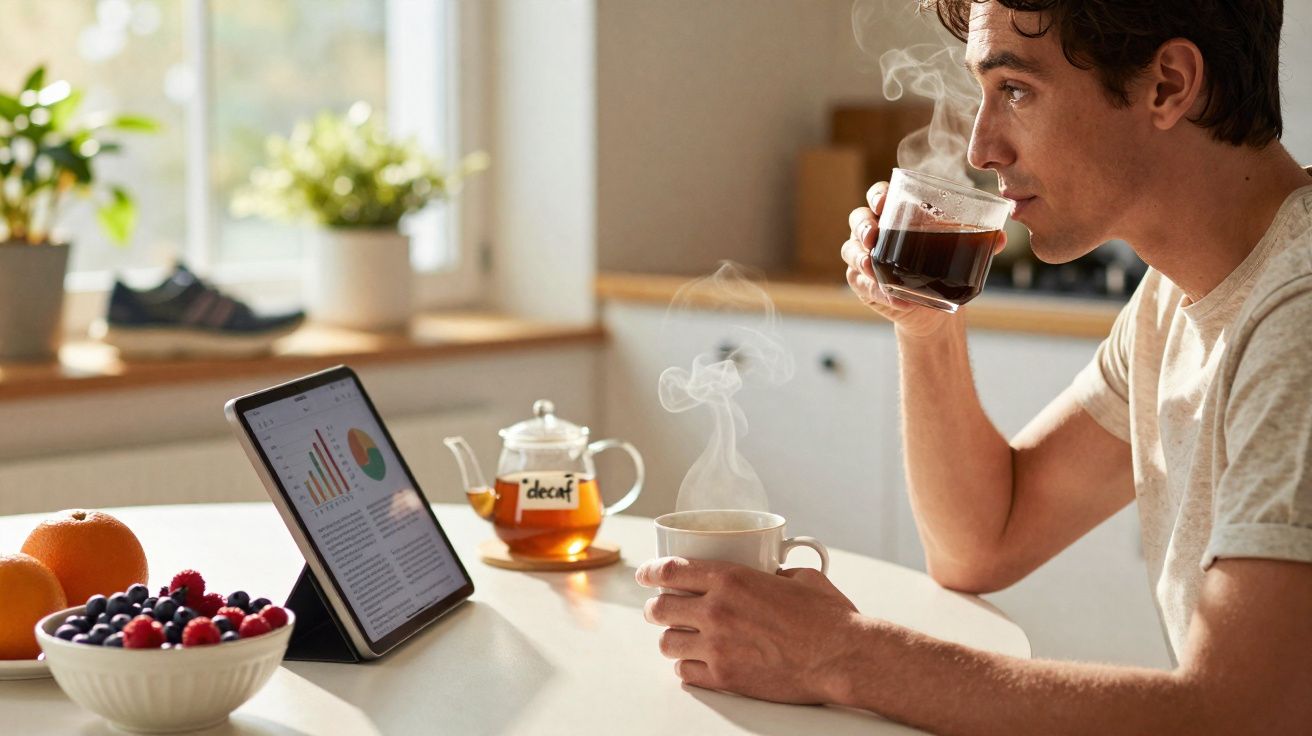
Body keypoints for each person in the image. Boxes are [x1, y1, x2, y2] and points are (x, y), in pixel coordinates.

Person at [636, 0, 1312, 732]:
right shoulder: (1174, 299)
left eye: (1015, 89)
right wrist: (926, 326)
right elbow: (983, 541)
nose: (981, 149)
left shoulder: (1297, 317)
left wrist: (836, 654)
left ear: (1168, 84)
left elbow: (1244, 715)